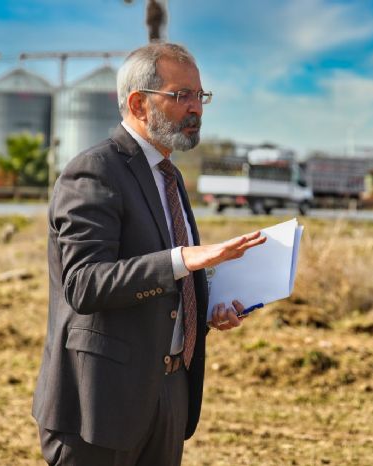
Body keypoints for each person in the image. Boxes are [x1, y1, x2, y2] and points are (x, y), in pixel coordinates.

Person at [32, 42, 266, 465]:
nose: (196, 108)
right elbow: (84, 284)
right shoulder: (94, 170)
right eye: (182, 96)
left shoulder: (168, 175)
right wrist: (183, 260)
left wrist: (207, 310)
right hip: (99, 405)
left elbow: (164, 285)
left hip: (168, 395)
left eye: (200, 96)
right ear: (139, 104)